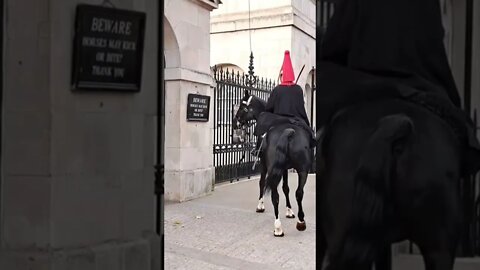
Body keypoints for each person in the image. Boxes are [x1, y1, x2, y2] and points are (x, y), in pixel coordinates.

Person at [252, 50, 314, 156]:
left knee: (263, 119)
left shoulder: (277, 89)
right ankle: (311, 150)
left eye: (281, 75)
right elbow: (301, 107)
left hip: (279, 119)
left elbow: (269, 107)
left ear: (283, 75)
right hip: (296, 119)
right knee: (310, 133)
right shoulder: (298, 89)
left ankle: (258, 149)